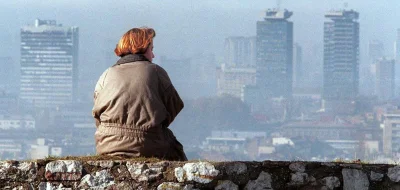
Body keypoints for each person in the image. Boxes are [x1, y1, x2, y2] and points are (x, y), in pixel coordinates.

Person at [92, 27, 187, 161]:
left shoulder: (106, 74)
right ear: (142, 47)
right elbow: (174, 105)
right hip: (147, 143)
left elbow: (97, 113)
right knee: (176, 150)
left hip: (106, 144)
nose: (153, 55)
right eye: (151, 49)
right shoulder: (155, 71)